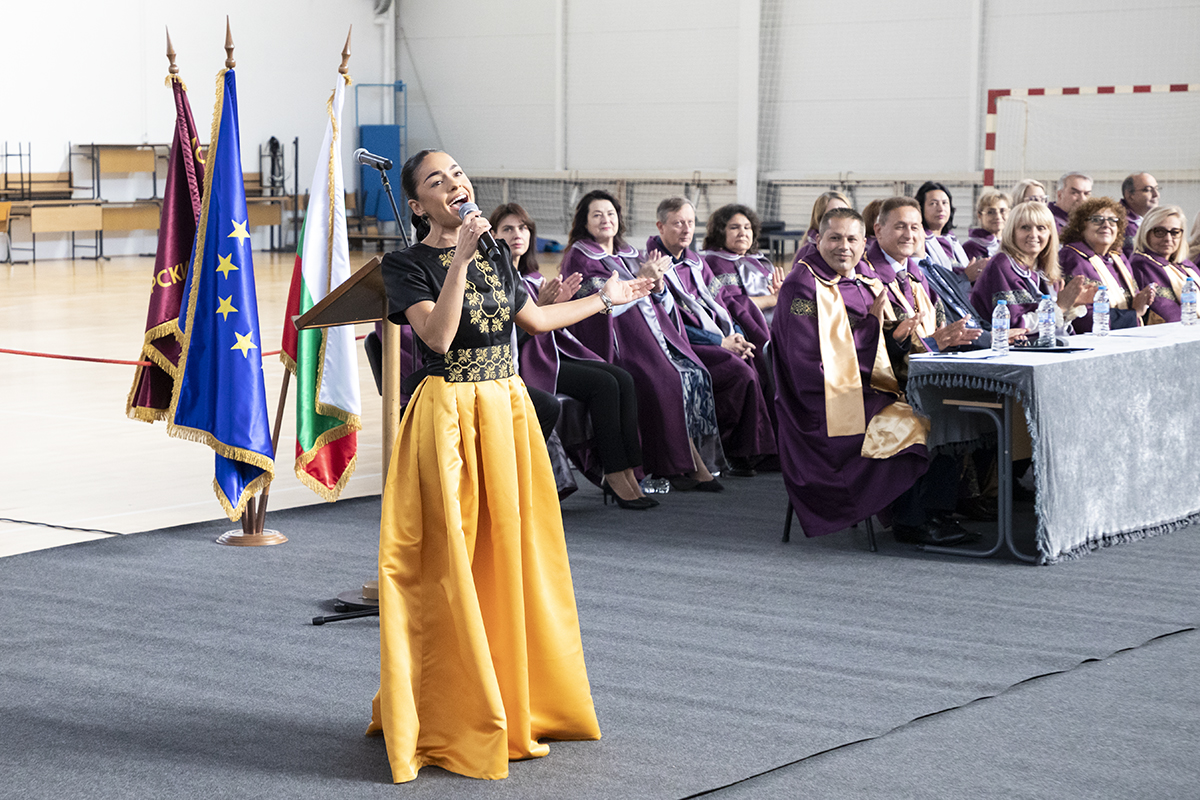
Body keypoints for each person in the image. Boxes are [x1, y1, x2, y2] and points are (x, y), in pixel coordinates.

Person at [370, 150, 651, 783]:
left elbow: (536, 320)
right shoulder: (405, 263)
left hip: (505, 410)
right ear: (417, 205)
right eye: (437, 180)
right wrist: (460, 260)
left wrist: (607, 298)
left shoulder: (495, 251)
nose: (454, 183)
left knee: (514, 558)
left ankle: (514, 694)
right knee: (449, 563)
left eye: (457, 173)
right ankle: (448, 708)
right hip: (447, 413)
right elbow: (437, 338)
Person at [772, 207, 934, 541]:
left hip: (866, 386)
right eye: (834, 238)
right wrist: (873, 328)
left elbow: (872, 340)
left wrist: (896, 336)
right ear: (818, 239)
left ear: (864, 243)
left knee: (939, 409)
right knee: (913, 423)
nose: (843, 247)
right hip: (823, 403)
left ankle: (935, 510)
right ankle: (911, 522)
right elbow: (807, 362)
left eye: (851, 239)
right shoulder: (802, 288)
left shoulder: (864, 280)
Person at [489, 202, 653, 509]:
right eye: (507, 229)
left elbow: (552, 325)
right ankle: (613, 473)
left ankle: (631, 470)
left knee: (621, 377)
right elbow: (501, 340)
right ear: (493, 236)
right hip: (526, 364)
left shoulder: (532, 277)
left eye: (523, 228)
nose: (517, 235)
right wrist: (541, 308)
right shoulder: (493, 280)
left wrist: (557, 306)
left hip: (550, 353)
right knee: (603, 385)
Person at [558, 189, 726, 489]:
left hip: (649, 339)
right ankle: (675, 467)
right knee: (662, 381)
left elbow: (657, 300)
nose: (605, 220)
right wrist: (641, 281)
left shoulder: (630, 254)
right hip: (614, 343)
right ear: (584, 221)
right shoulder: (580, 257)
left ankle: (686, 462)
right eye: (597, 215)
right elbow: (597, 308)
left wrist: (656, 285)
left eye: (610, 214)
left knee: (691, 374)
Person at [648, 197, 777, 477]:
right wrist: (721, 342)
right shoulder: (653, 265)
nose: (686, 229)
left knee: (756, 360)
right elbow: (668, 323)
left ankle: (763, 448)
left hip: (721, 337)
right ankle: (738, 451)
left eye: (690, 222)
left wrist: (736, 335)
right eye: (678, 223)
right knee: (740, 373)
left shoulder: (696, 262)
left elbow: (723, 306)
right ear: (660, 226)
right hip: (682, 343)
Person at [865, 196, 982, 354]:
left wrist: (949, 339)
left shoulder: (917, 275)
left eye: (914, 228)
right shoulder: (865, 276)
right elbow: (869, 345)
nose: (909, 235)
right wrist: (932, 344)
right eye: (900, 227)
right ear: (878, 230)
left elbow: (939, 328)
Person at [970, 200, 1094, 334]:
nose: (1033, 235)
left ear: (1050, 234)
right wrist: (1060, 306)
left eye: (1041, 228)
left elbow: (1052, 328)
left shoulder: (1042, 269)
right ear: (1012, 232)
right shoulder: (1003, 264)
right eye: (1025, 227)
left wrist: (1071, 304)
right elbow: (1015, 327)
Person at [1059, 197, 1154, 333]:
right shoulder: (1072, 257)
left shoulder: (1118, 258)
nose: (1106, 225)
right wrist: (1133, 314)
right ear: (1081, 226)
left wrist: (1143, 301)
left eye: (1112, 221)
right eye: (1097, 220)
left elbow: (1135, 305)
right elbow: (1080, 316)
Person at [1129, 205, 1198, 325]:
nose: (1168, 238)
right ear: (1146, 233)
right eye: (1160, 232)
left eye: (1175, 232)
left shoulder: (1187, 266)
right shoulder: (1141, 265)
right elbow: (1165, 314)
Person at [915, 181, 987, 283]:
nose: (941, 209)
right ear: (921, 208)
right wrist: (965, 277)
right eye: (933, 203)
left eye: (945, 203)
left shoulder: (951, 239)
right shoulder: (918, 242)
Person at [1120, 172, 1160, 259]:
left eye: (1157, 188)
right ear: (1130, 196)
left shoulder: (1152, 220)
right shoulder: (1121, 223)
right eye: (1148, 190)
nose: (1156, 194)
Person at [962, 189, 1010, 262]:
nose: (998, 216)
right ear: (979, 215)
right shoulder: (970, 248)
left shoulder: (1011, 246)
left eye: (1002, 211)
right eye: (991, 212)